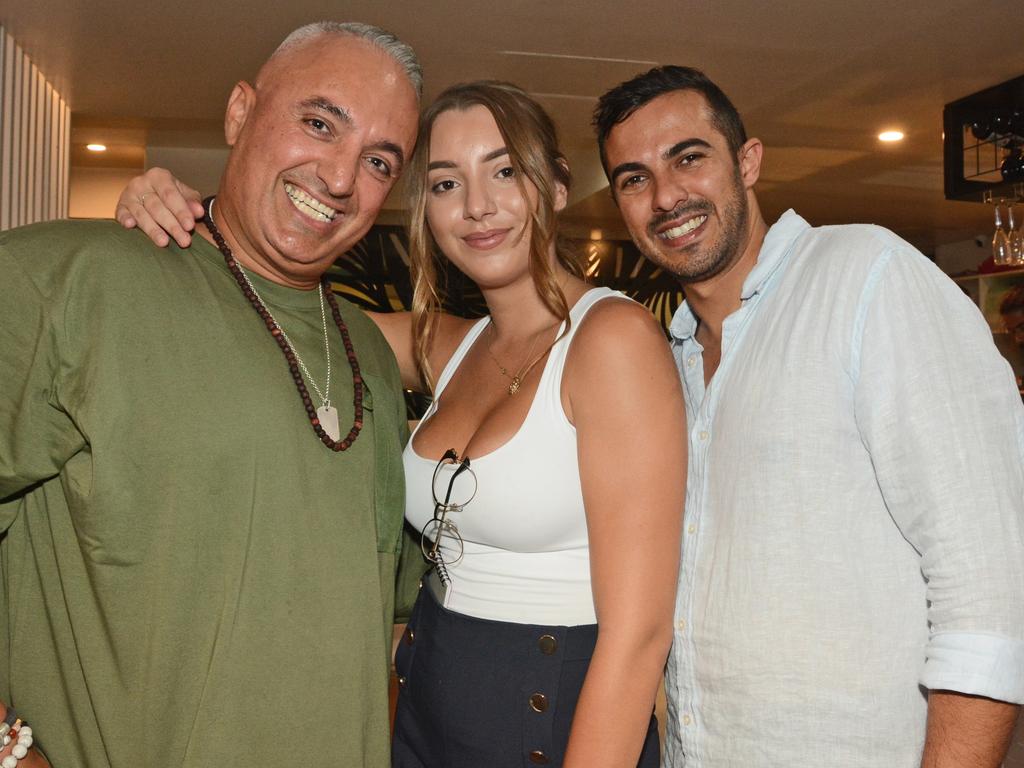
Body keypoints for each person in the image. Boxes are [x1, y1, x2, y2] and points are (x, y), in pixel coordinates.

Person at [116, 81, 687, 767]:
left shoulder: (613, 340)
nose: (477, 206)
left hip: (551, 722)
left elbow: (641, 635)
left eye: (504, 171)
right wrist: (189, 213)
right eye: (446, 184)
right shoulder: (452, 346)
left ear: (556, 186)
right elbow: (288, 315)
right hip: (423, 702)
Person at [0, 21, 420, 767]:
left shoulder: (371, 361)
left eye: (379, 161)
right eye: (320, 123)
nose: (340, 177)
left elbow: (377, 619)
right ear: (239, 112)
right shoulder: (72, 281)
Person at [592, 65, 1024, 766]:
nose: (666, 196)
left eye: (689, 158)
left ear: (748, 161)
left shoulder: (866, 277)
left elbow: (991, 588)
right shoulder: (662, 363)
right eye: (634, 179)